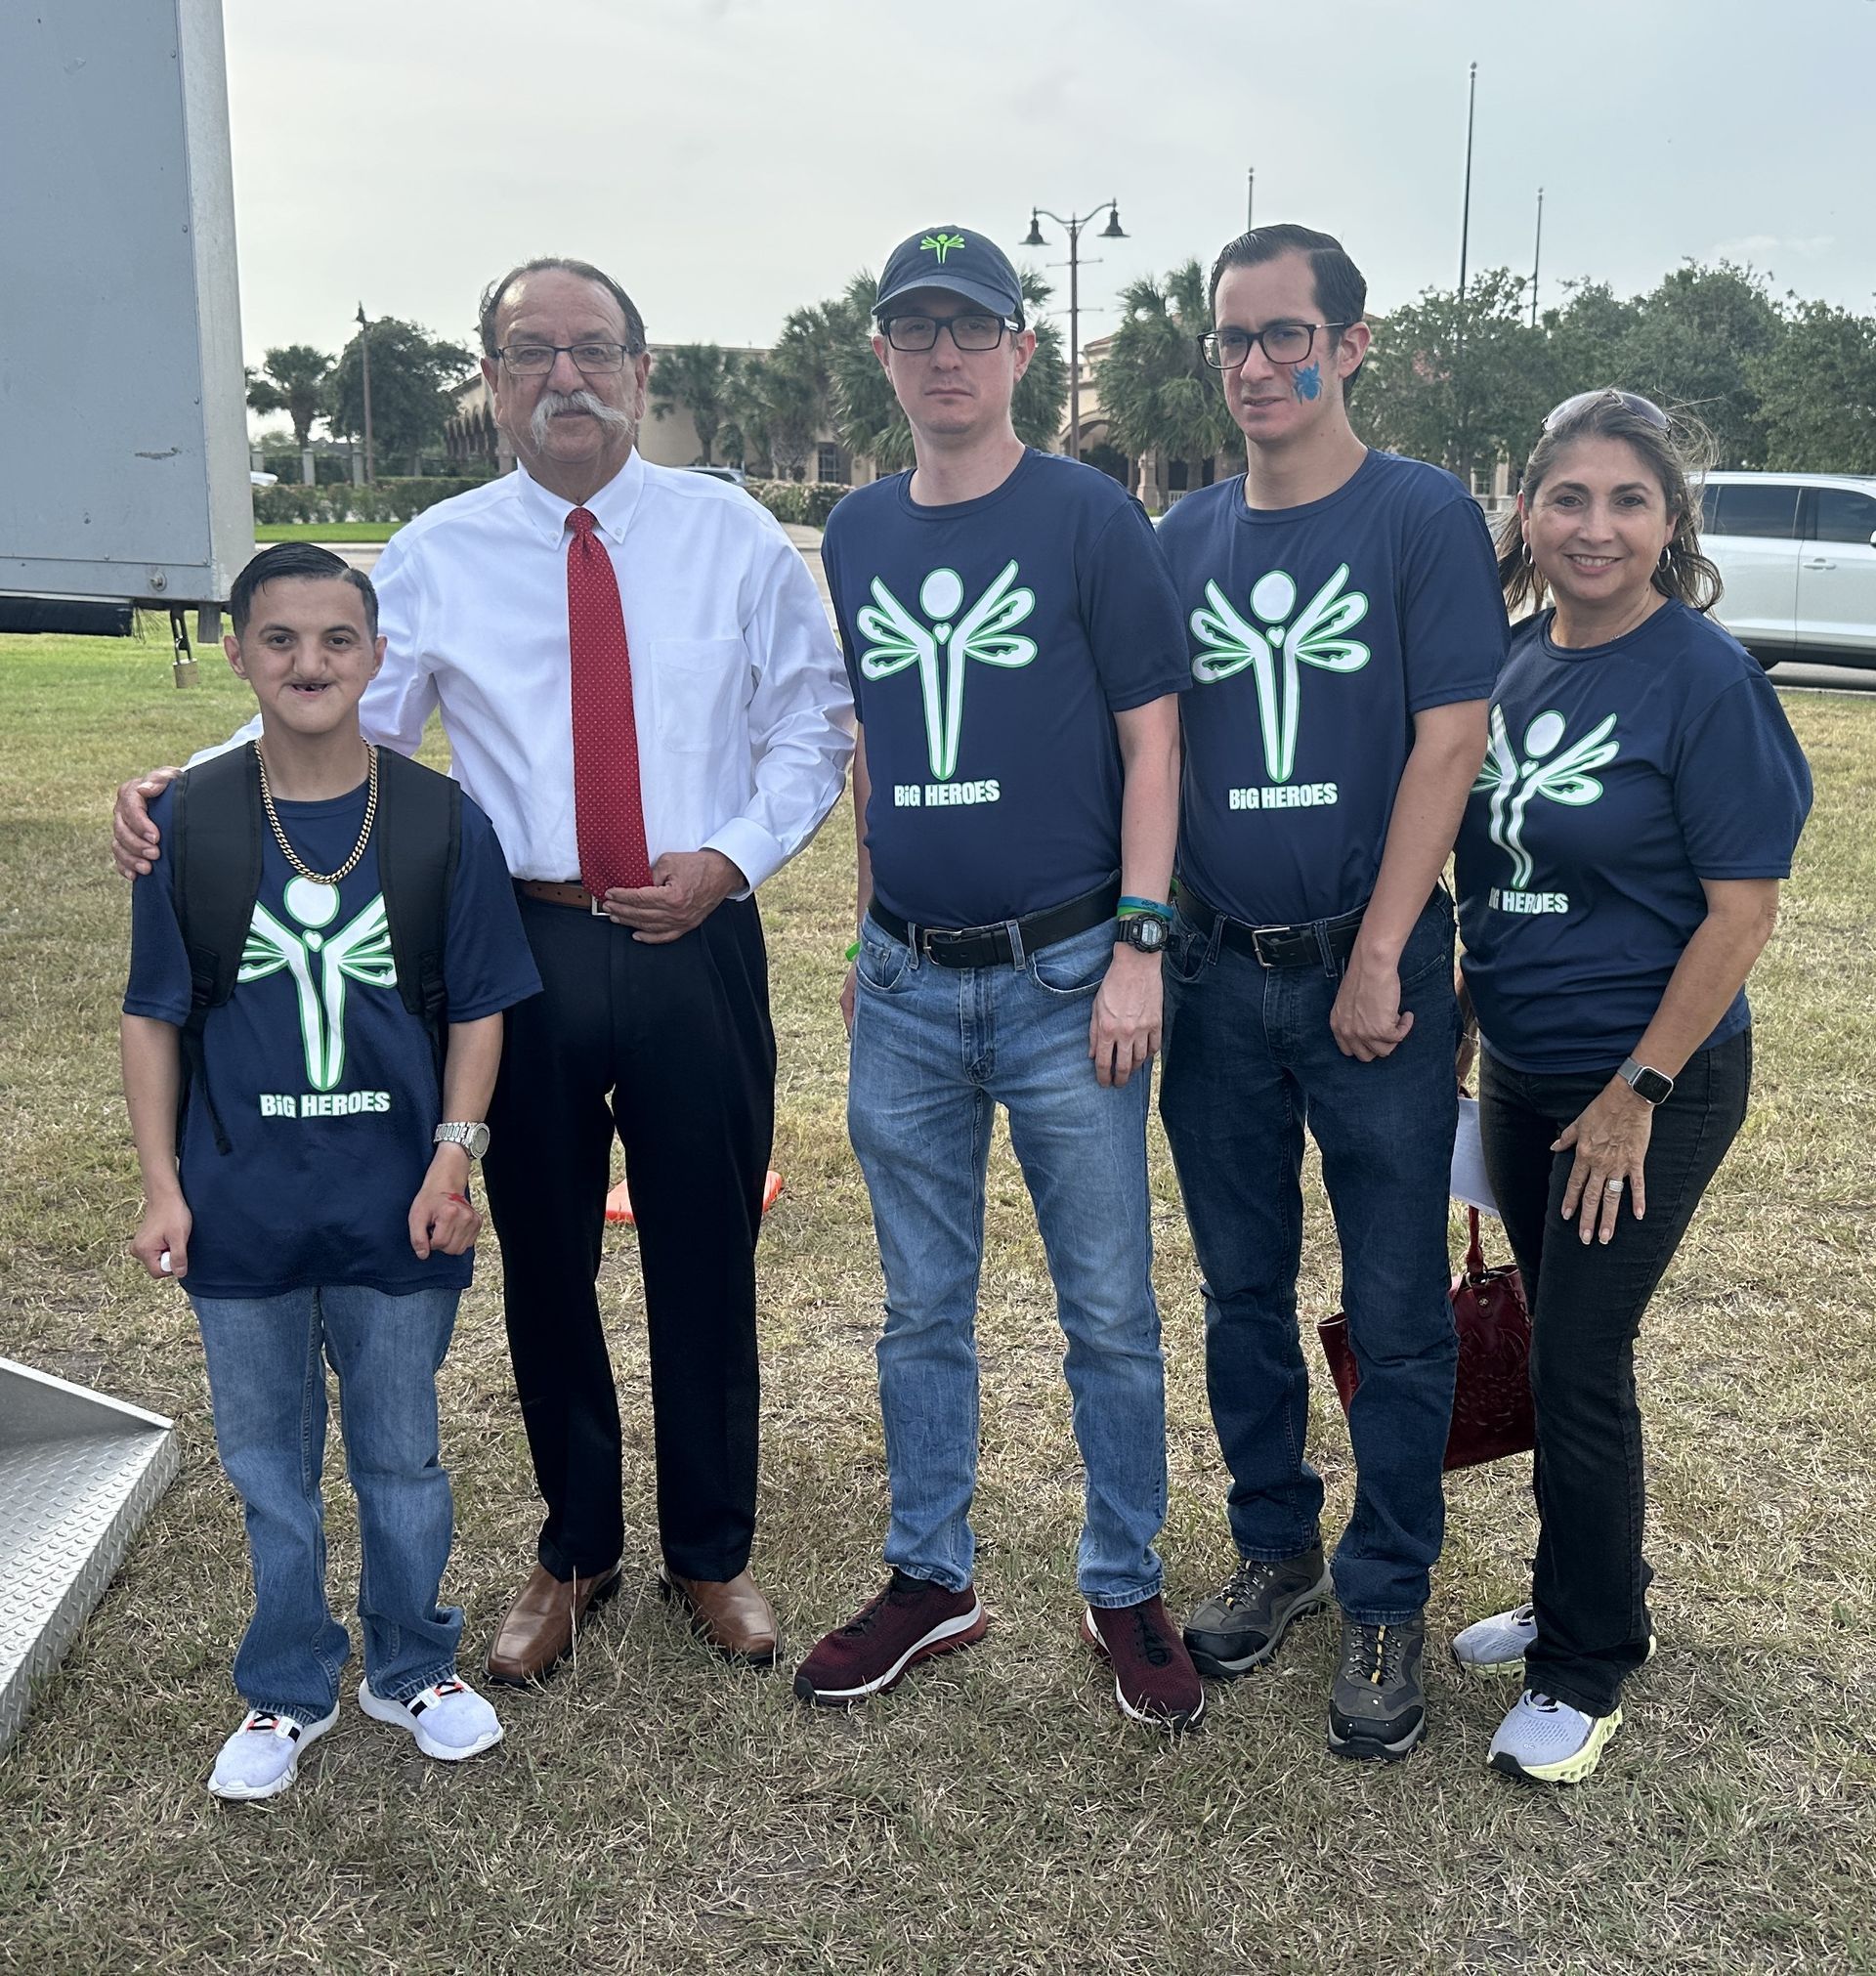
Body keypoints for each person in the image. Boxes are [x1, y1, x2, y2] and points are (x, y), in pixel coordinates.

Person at [112, 258, 853, 1684]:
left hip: (700, 931)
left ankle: (710, 1546)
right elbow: (341, 721)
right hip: (525, 947)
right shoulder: (441, 552)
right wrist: (183, 783)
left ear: (641, 371)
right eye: (531, 353)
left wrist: (730, 862)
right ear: (493, 380)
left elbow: (809, 728)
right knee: (547, 1257)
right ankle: (575, 1544)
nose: (564, 378)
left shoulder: (735, 537)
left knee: (707, 1247)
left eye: (592, 351)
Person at [792, 225, 1202, 1730]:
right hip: (906, 983)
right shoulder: (858, 532)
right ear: (886, 354)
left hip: (1067, 976)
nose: (945, 356)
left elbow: (1154, 736)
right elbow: (871, 759)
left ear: (1022, 351)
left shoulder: (1093, 517)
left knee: (1107, 1304)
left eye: (974, 330)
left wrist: (1140, 947)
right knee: (920, 1308)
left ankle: (1122, 1579)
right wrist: (859, 938)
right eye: (917, 330)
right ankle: (931, 1576)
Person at [1154, 223, 1507, 1761]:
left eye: (1285, 333)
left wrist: (1379, 950)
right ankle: (1278, 1546)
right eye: (1232, 338)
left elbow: (1450, 740)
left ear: (1351, 344)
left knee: (1393, 1301)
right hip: (1218, 978)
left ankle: (1385, 1588)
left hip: (1377, 987)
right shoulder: (1181, 538)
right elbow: (1148, 756)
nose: (1255, 364)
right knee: (1238, 1289)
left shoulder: (1421, 516)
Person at [121, 544, 541, 1799]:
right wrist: (162, 1184)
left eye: (337, 640)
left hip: (393, 1205)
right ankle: (287, 1685)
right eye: (282, 639)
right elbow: (153, 1015)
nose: (310, 662)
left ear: (375, 656)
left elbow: (479, 1010)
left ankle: (411, 1664)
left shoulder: (435, 820)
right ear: (241, 651)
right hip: (242, 1210)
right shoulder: (188, 822)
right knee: (267, 1466)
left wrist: (451, 1160)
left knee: (402, 1455)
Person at [1450, 389, 1811, 1783]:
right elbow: (1501, 879)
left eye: (1628, 501)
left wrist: (1638, 1087)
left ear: (1672, 523)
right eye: (1569, 499)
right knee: (1557, 1340)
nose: (1595, 528)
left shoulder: (1703, 676)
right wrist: (1474, 1019)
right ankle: (1581, 1586)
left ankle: (1586, 1662)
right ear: (1527, 514)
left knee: (1577, 1357)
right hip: (1529, 1072)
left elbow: (1740, 911)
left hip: (1650, 1081)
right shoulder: (1507, 664)